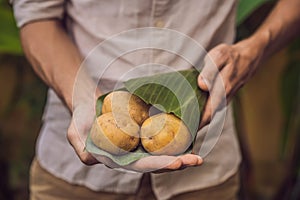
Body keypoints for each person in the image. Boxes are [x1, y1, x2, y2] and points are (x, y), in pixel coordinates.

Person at [11, 0, 300, 199]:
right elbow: (37, 16)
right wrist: (85, 101)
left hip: (206, 173)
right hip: (74, 179)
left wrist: (258, 45)